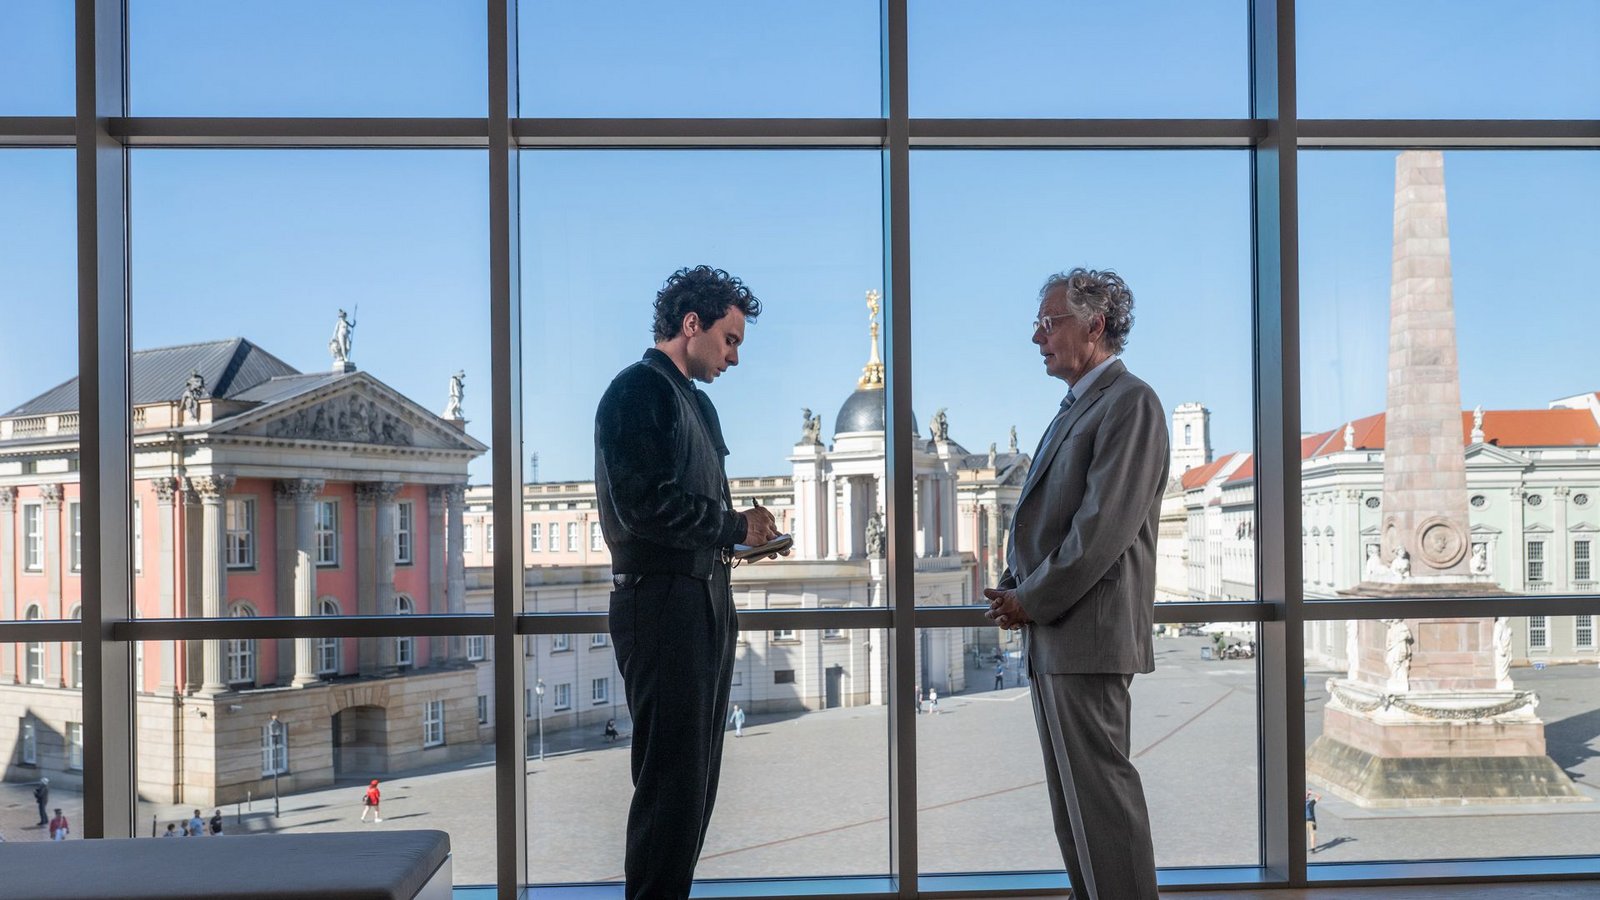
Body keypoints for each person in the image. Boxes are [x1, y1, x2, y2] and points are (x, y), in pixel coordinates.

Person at [984, 268, 1168, 900]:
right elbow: (1052, 516)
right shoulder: (1081, 405)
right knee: (1075, 806)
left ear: (1095, 325)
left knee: (1102, 804)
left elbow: (1100, 530)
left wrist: (1029, 599)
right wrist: (1015, 584)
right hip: (1058, 634)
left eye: (1048, 322)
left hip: (1087, 635)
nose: (1037, 337)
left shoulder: (1130, 402)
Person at [595, 265, 777, 900]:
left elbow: (685, 511)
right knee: (671, 783)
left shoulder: (693, 401)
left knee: (695, 780)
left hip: (701, 599)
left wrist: (742, 536)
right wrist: (733, 524)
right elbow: (643, 506)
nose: (734, 357)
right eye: (729, 340)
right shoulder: (636, 391)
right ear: (691, 324)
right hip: (661, 602)